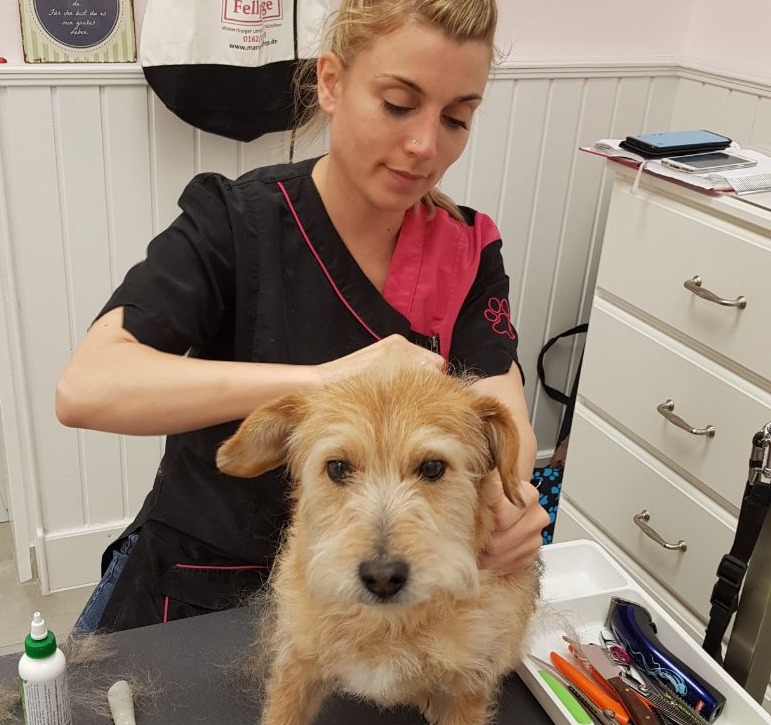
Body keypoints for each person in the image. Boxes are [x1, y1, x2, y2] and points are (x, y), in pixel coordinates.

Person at [57, 0, 551, 634]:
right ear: (332, 83)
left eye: (456, 118)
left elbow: (503, 407)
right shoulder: (236, 223)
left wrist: (510, 501)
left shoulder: (466, 248)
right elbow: (86, 387)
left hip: (380, 594)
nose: (426, 146)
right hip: (204, 587)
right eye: (398, 105)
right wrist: (326, 383)